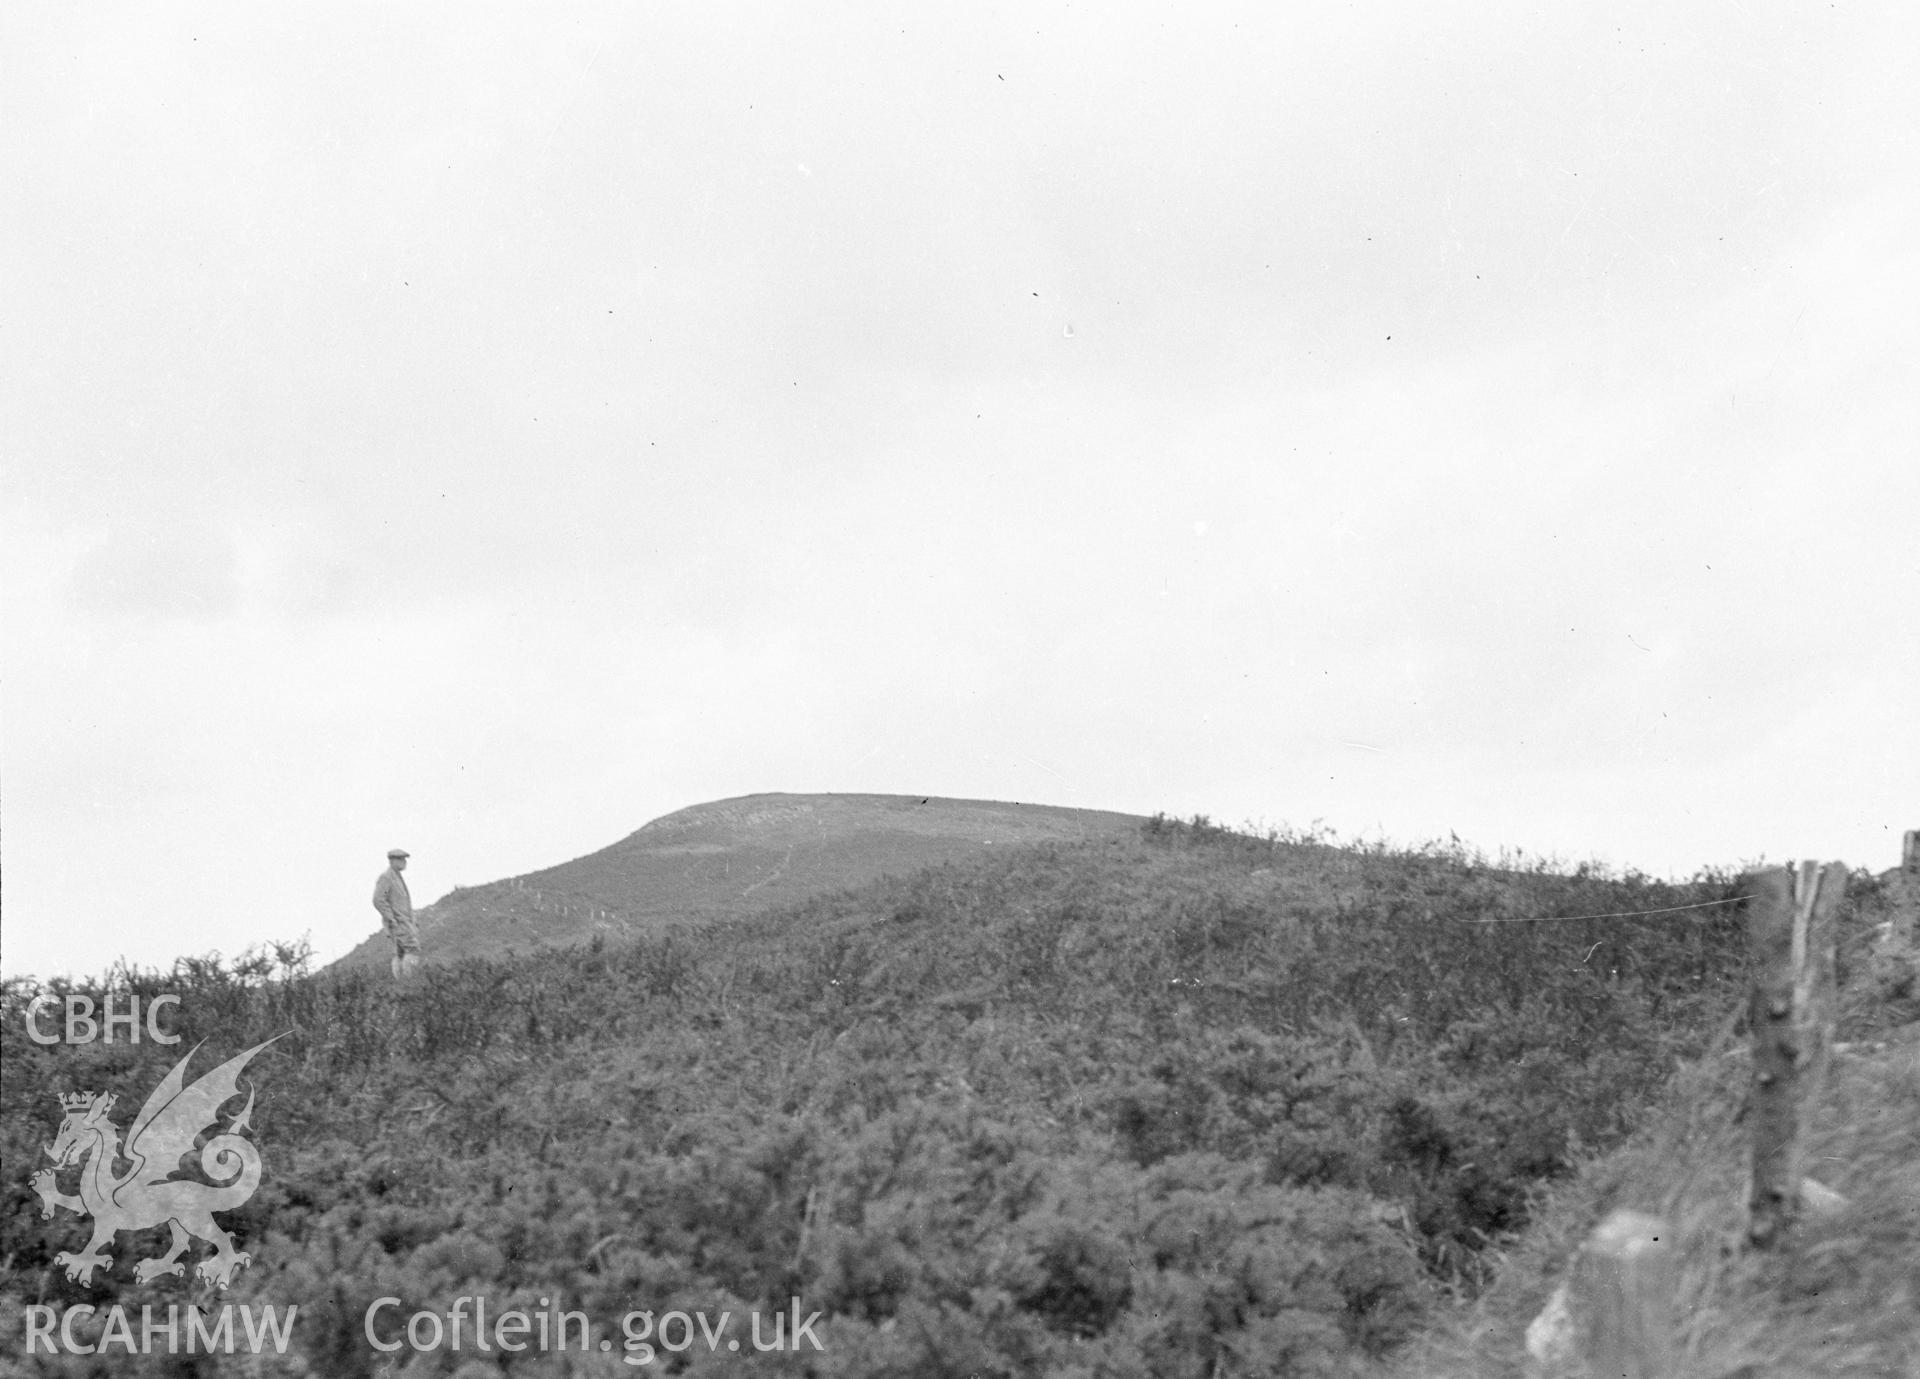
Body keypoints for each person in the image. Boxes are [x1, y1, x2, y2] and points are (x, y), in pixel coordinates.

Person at [373, 848, 422, 978]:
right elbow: (378, 900)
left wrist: (413, 919)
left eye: (404, 859)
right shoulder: (386, 877)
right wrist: (391, 918)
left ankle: (401, 983)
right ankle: (407, 980)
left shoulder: (396, 877)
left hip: (403, 921)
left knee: (400, 952)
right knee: (412, 949)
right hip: (398, 922)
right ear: (392, 860)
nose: (404, 862)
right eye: (400, 859)